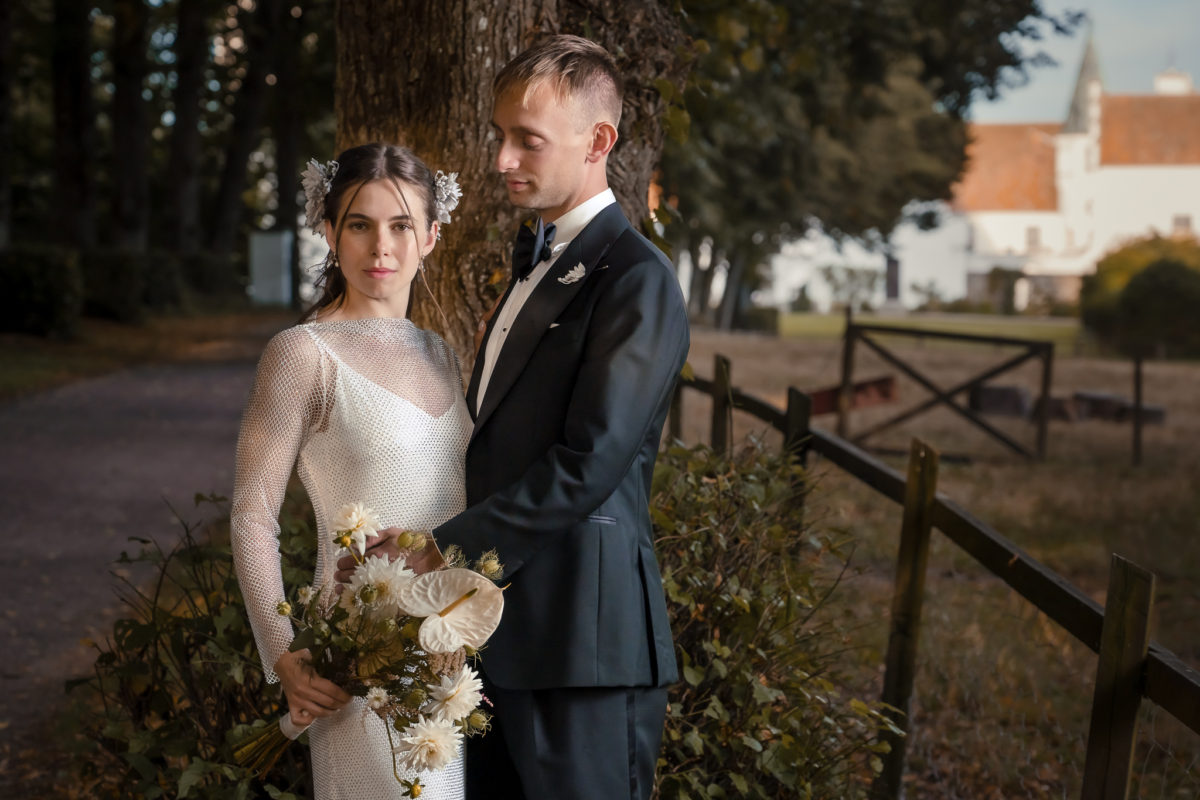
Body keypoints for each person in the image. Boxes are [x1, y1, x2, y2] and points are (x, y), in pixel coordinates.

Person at [344, 35, 690, 799]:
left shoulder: (636, 280)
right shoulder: (533, 263)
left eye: (525, 140)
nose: (501, 158)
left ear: (599, 141)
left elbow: (589, 462)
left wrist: (444, 552)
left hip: (581, 646)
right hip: (498, 636)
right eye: (500, 135)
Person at [230, 143, 471, 800]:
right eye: (359, 224)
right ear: (330, 233)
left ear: (431, 235)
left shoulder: (445, 357)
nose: (380, 246)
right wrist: (284, 654)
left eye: (400, 225)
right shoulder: (302, 355)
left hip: (445, 669)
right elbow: (253, 512)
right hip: (351, 668)